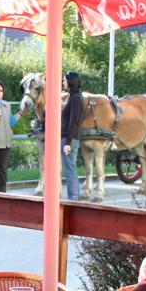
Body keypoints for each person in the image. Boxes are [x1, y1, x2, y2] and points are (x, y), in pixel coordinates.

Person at [60, 71, 84, 200]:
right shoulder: (74, 97)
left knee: (70, 171)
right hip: (69, 138)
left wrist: (68, 142)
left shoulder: (76, 98)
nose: (63, 82)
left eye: (64, 80)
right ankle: (74, 197)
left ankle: (74, 199)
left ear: (70, 81)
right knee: (70, 170)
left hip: (69, 139)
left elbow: (74, 122)